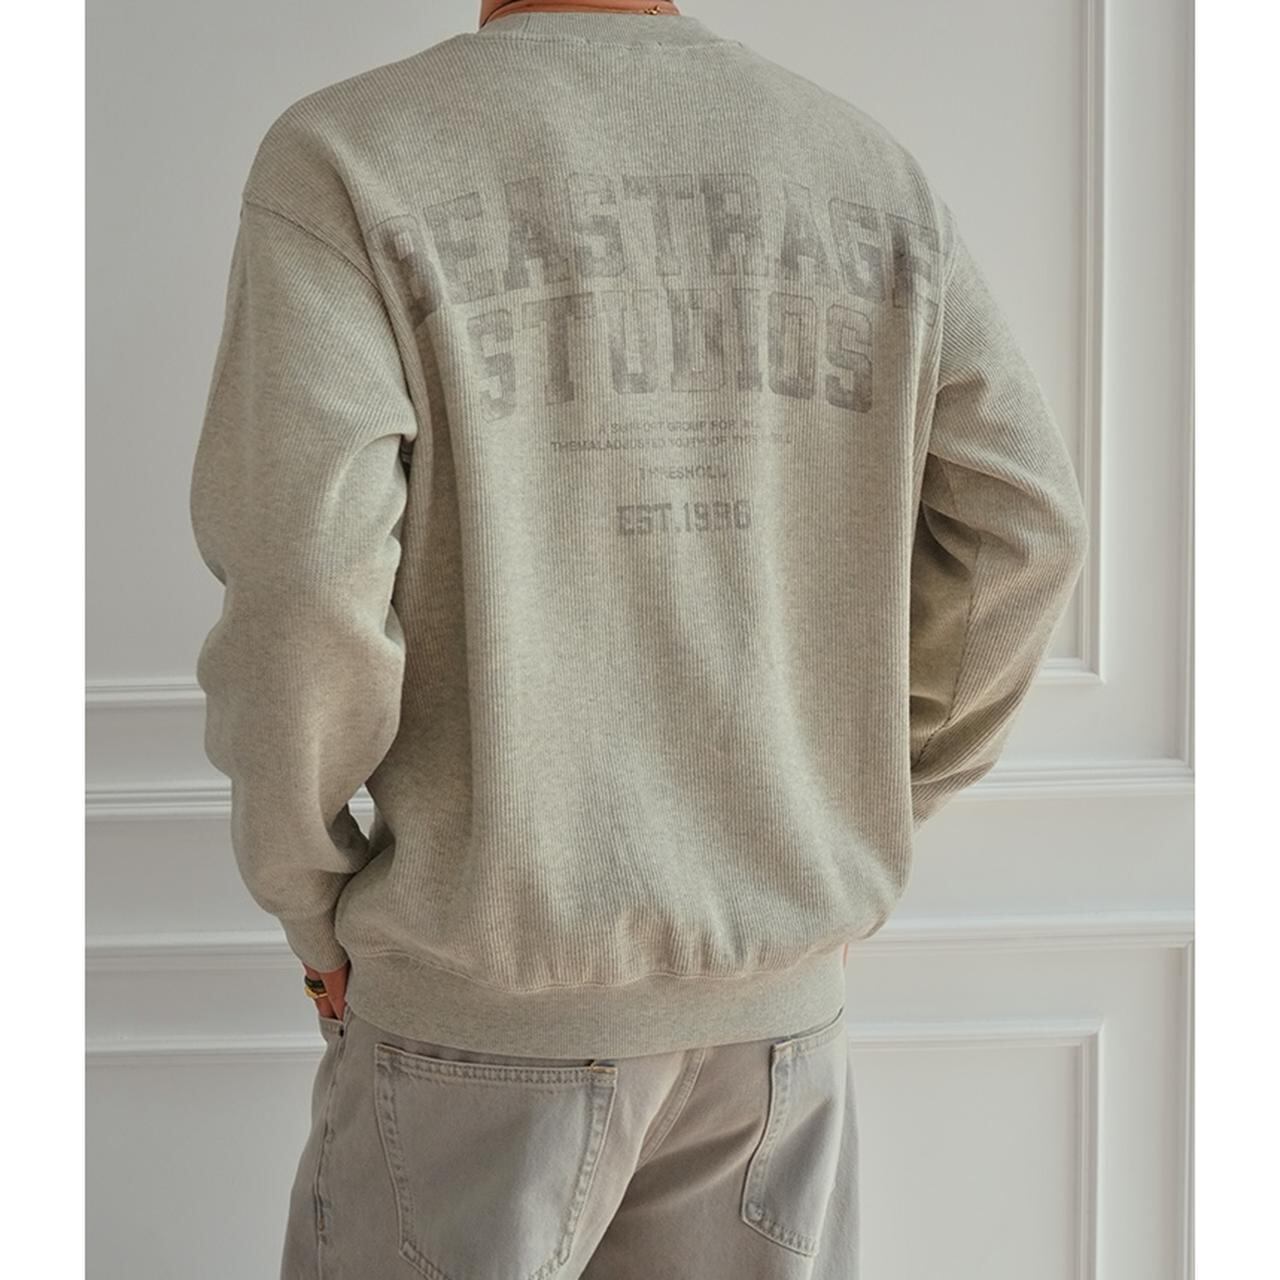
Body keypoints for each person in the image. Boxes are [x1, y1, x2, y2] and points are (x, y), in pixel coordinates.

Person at [188, 1, 1090, 1275]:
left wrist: (309, 896)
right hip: (773, 1035)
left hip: (475, 1015)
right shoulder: (861, 173)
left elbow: (305, 583)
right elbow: (1023, 526)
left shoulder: (350, 159)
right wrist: (839, 805)